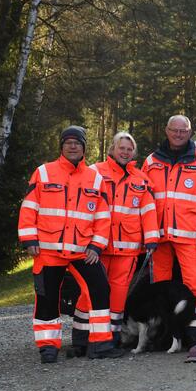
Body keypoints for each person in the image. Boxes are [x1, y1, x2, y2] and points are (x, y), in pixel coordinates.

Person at [18, 126, 122, 362]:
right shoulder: (43, 172)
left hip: (83, 251)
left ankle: (100, 344)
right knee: (47, 297)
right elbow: (28, 208)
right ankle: (48, 347)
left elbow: (103, 216)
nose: (72, 146)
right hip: (48, 249)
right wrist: (28, 239)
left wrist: (96, 246)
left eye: (77, 142)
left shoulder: (95, 178)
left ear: (84, 147)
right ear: (61, 146)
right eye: (68, 142)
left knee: (100, 289)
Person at [71, 132, 160, 350]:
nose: (125, 152)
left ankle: (109, 339)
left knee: (119, 294)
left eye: (129, 150)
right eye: (122, 148)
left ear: (134, 153)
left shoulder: (141, 180)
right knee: (90, 291)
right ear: (112, 149)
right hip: (96, 247)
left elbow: (148, 211)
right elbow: (81, 205)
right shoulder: (94, 172)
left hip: (127, 249)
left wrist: (151, 238)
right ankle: (81, 338)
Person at [142, 115, 196, 345]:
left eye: (183, 131)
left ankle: (194, 333)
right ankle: (166, 333)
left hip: (189, 233)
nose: (178, 134)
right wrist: (147, 233)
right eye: (174, 130)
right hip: (159, 235)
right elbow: (143, 199)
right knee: (161, 286)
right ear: (166, 131)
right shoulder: (151, 161)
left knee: (195, 283)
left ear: (190, 132)